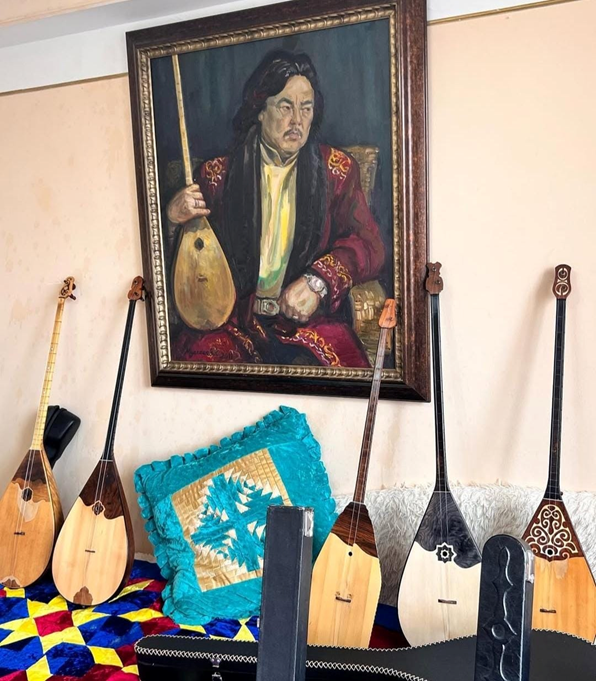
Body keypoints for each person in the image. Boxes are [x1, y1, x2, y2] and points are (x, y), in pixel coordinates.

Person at [167, 50, 385, 367]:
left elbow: (370, 245)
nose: (297, 120)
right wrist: (173, 219)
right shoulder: (216, 177)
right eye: (285, 106)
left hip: (309, 322)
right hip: (234, 321)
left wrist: (318, 282)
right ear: (259, 110)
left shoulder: (336, 171)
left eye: (306, 108)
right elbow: (187, 260)